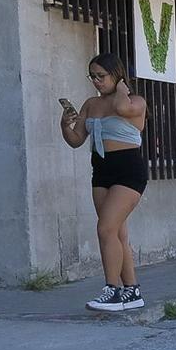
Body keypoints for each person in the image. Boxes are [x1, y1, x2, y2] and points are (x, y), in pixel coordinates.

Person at [58, 53, 149, 312]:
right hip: (101, 170)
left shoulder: (135, 101)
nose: (97, 82)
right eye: (92, 76)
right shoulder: (90, 104)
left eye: (102, 76)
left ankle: (113, 291)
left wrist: (121, 89)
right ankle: (132, 291)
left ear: (116, 74)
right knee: (117, 232)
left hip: (128, 170)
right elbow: (76, 140)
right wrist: (65, 125)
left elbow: (122, 109)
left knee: (105, 229)